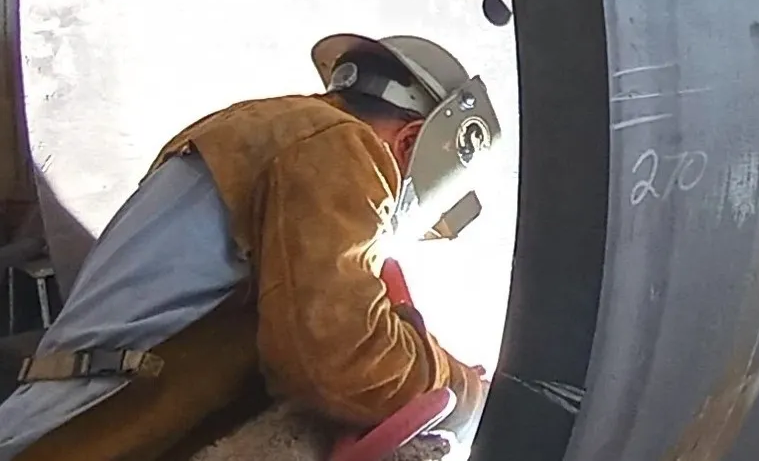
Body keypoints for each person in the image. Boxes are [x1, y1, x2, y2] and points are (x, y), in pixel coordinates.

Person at [0, 34, 501, 461]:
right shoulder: (338, 145)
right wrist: (459, 388)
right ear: (411, 143)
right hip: (75, 441)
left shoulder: (262, 132)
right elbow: (341, 364)